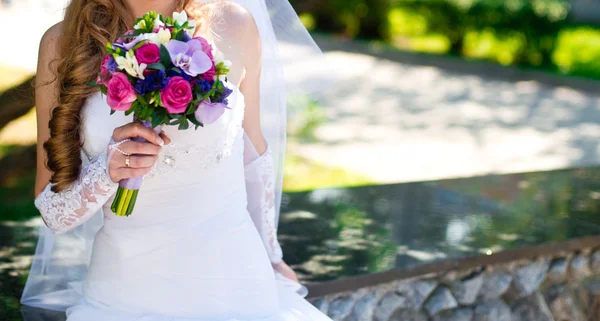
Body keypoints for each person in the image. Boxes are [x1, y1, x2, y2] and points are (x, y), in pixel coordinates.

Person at [22, 0, 332, 320]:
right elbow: (53, 214)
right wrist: (106, 171)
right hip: (124, 292)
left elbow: (252, 154)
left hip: (236, 284)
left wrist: (272, 255)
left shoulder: (235, 25)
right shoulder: (63, 42)